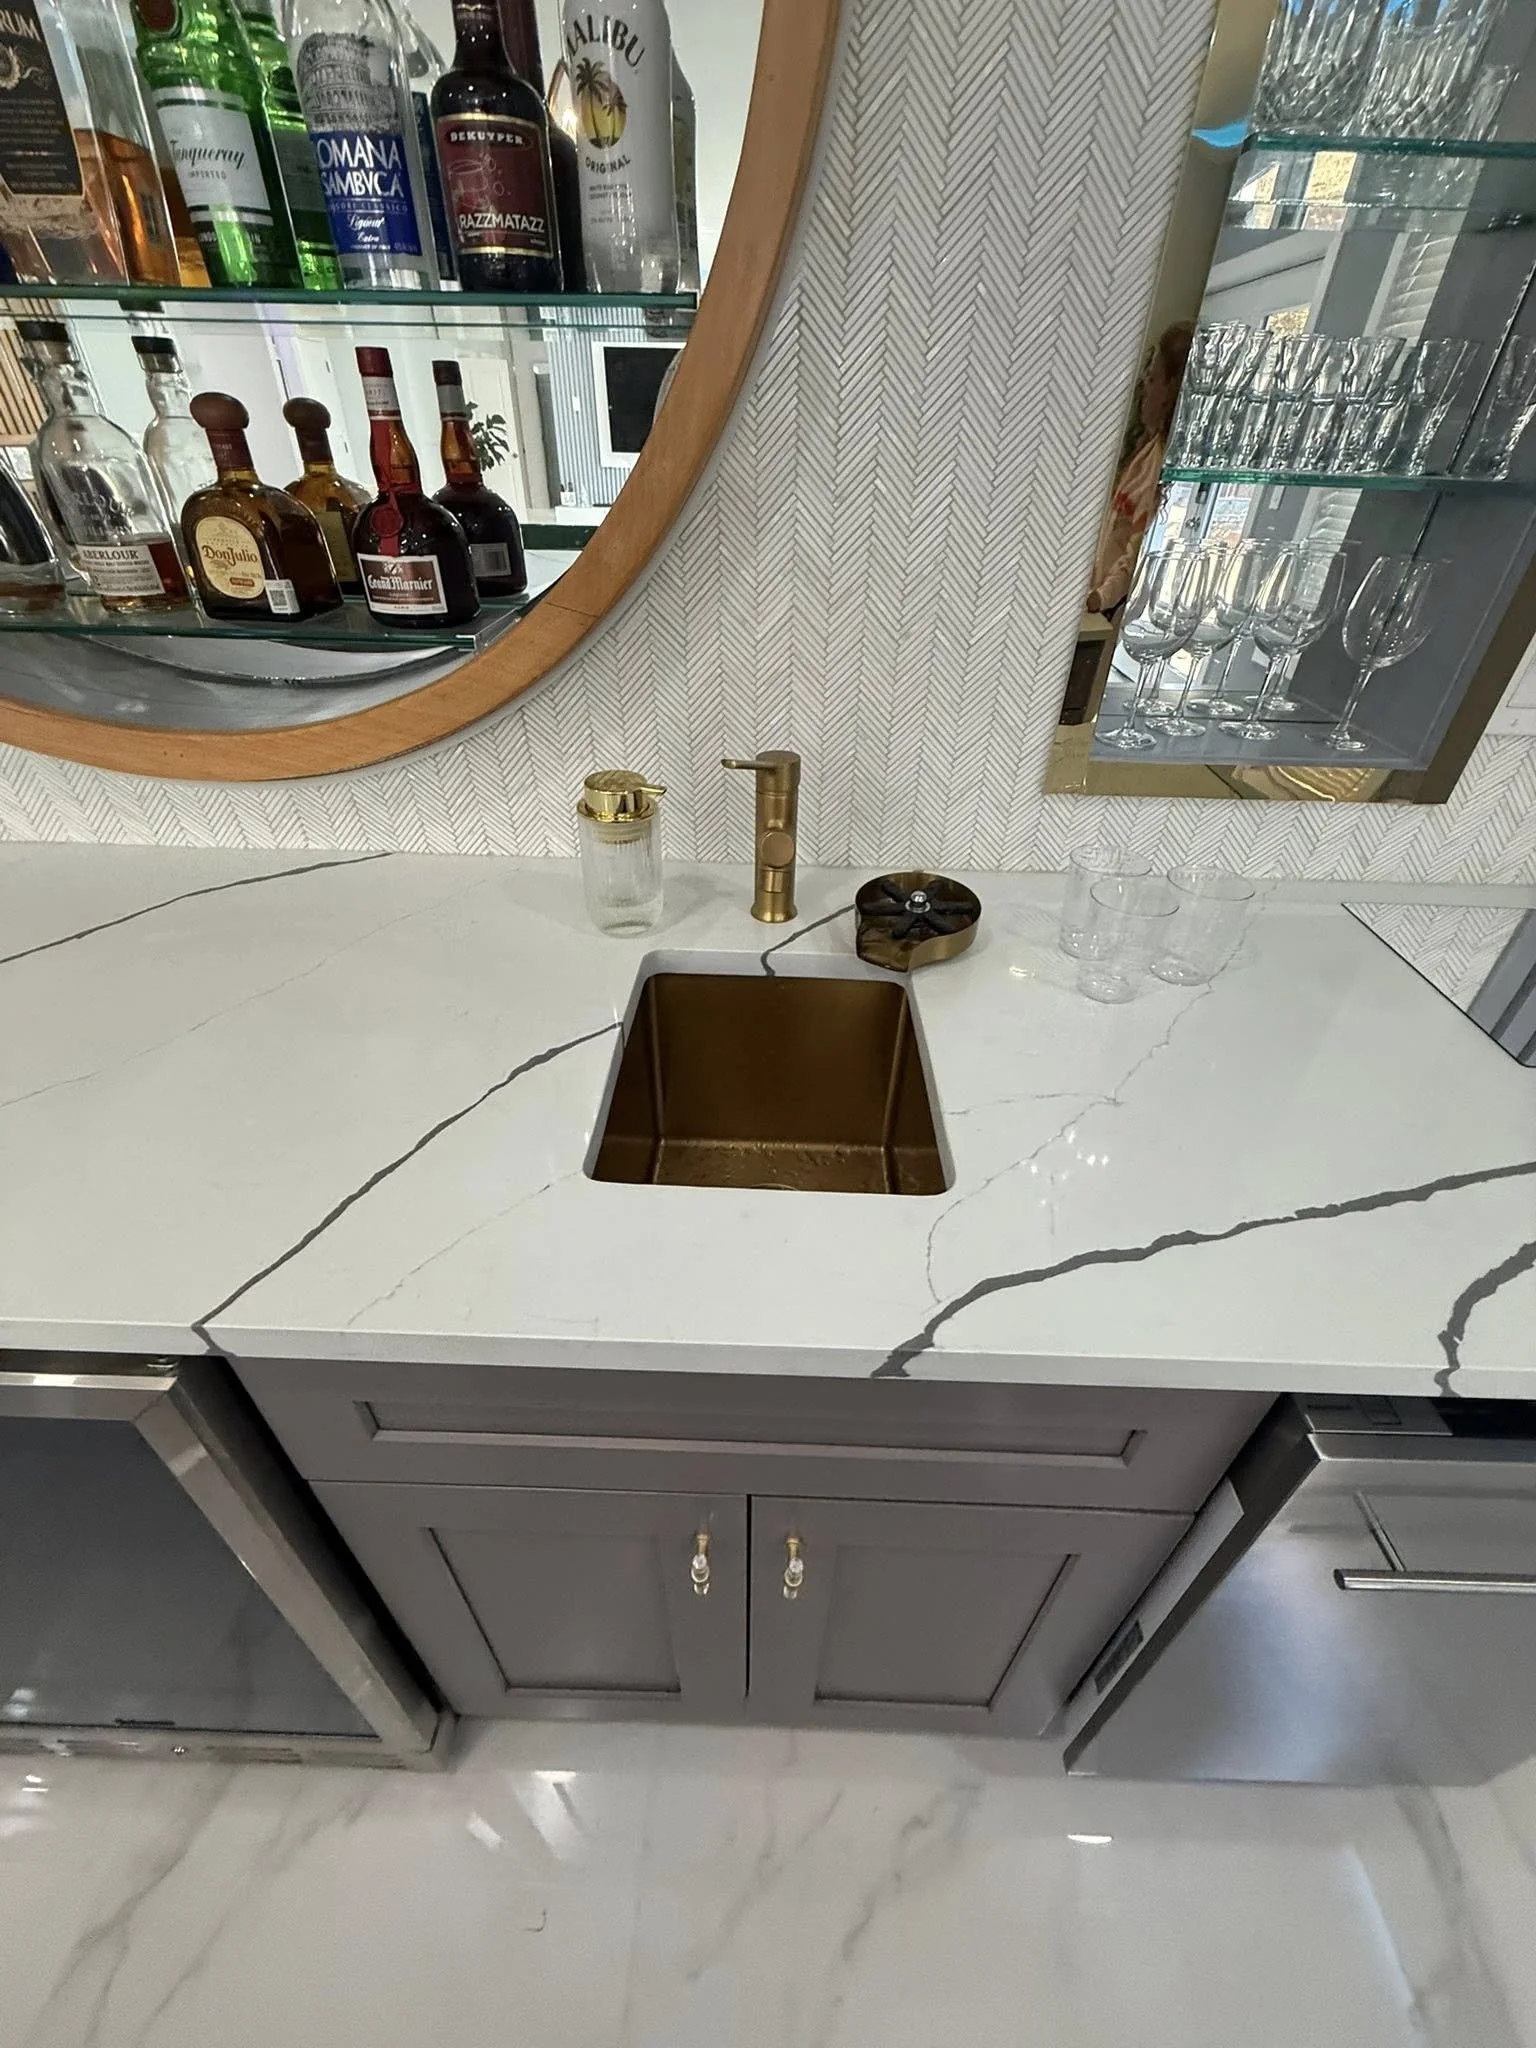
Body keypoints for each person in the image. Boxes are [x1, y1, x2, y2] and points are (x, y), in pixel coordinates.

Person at [1084, 320, 1194, 616]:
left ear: (1171, 390)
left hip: (1107, 610)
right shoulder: (1146, 451)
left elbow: (1137, 552)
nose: (1145, 383)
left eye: (1154, 377)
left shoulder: (1163, 468)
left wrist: (1097, 598)